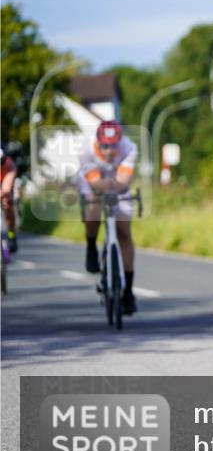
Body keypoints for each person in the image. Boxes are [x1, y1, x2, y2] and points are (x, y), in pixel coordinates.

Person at [78, 120, 139, 314]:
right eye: (105, 146)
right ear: (98, 142)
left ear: (120, 142)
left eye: (114, 146)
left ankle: (128, 292)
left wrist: (115, 186)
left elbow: (123, 181)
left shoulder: (129, 148)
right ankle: (91, 246)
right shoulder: (86, 149)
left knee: (124, 232)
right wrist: (105, 187)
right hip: (94, 182)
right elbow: (95, 183)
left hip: (117, 183)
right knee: (94, 205)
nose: (110, 151)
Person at [1, 148, 18, 253]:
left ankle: (11, 234)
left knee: (7, 204)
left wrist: (4, 193)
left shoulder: (10, 165)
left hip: (5, 181)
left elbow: (6, 188)